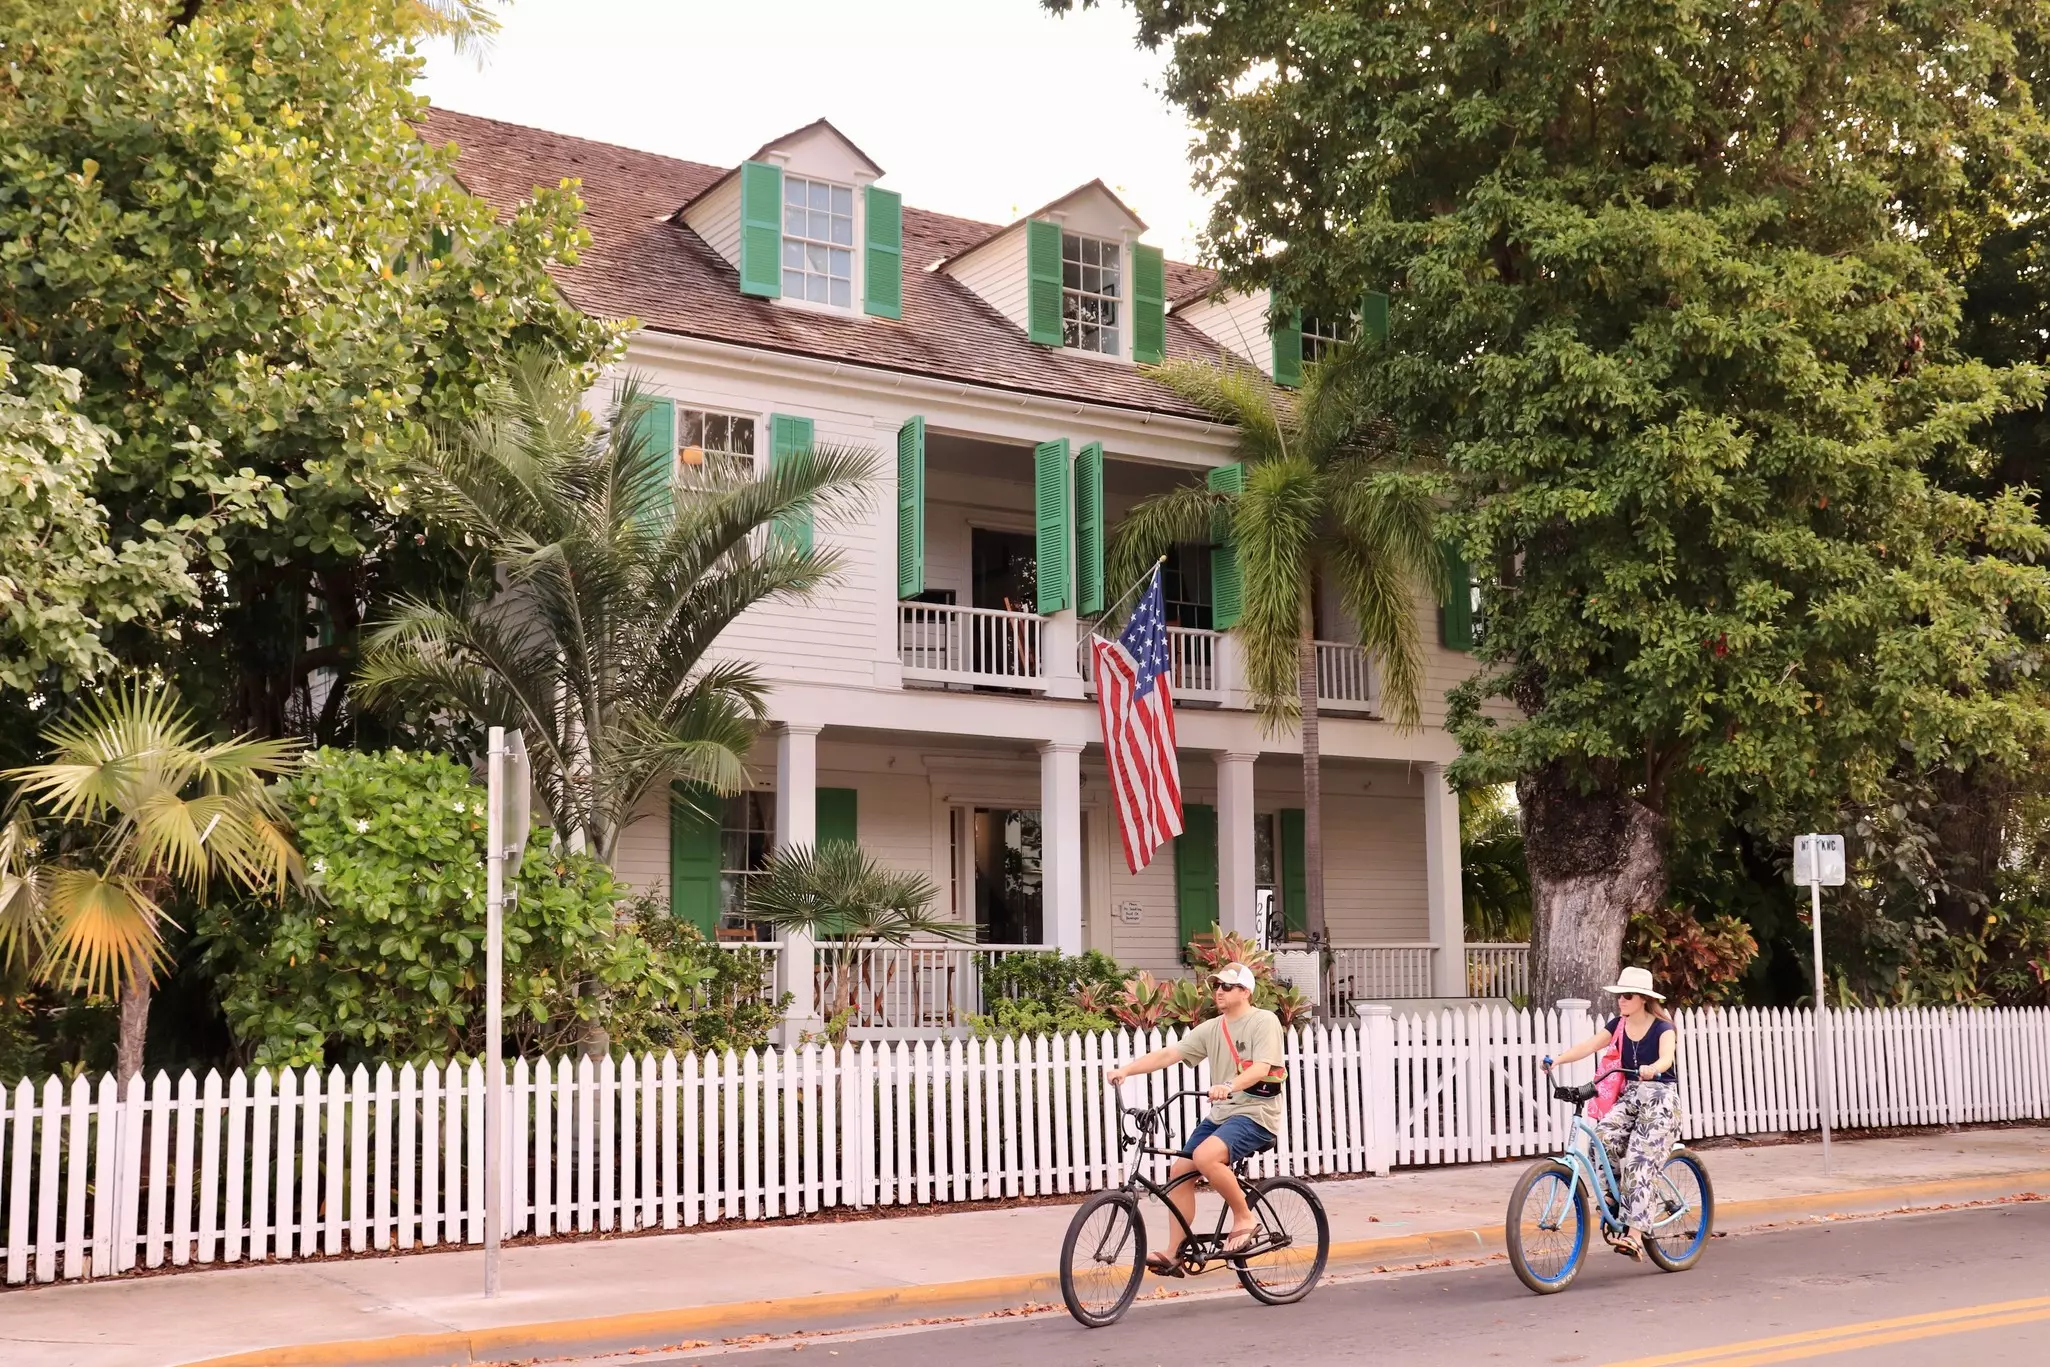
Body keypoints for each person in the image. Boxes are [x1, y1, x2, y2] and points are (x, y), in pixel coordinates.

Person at [1105, 963, 1286, 1270]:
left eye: (1227, 987)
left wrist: (1229, 1085)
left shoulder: (1263, 1021)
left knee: (1205, 1156)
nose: (1219, 991)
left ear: (1245, 991)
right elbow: (1168, 1054)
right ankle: (1175, 1251)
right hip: (1222, 1116)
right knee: (1180, 1171)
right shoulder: (1213, 1028)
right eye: (1216, 986)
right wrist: (1125, 1071)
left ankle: (1243, 1216)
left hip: (1256, 1114)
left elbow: (1261, 1068)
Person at [1543, 965, 1680, 1260]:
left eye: (1627, 995)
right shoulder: (1618, 1024)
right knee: (1600, 1137)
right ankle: (1616, 1197)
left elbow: (1667, 1058)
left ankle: (1633, 1235)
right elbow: (1589, 1045)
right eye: (1619, 995)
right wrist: (1557, 1060)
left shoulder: (1663, 1027)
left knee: (1638, 1162)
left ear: (1643, 998)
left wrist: (1653, 1068)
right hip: (1631, 1096)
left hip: (1660, 1100)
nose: (1621, 1000)